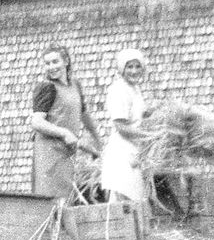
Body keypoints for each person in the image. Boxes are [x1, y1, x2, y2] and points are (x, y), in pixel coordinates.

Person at [30, 44, 102, 200]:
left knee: (67, 198)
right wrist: (64, 132)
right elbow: (36, 122)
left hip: (67, 152)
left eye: (55, 62)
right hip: (49, 154)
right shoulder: (47, 88)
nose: (51, 67)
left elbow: (83, 114)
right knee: (52, 201)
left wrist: (98, 141)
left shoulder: (75, 85)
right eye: (47, 63)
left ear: (66, 61)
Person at [101, 48, 151, 205]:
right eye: (129, 67)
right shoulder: (118, 90)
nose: (134, 71)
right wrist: (149, 137)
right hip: (121, 153)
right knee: (124, 201)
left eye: (137, 67)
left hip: (134, 150)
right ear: (122, 69)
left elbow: (138, 116)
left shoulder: (135, 90)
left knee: (135, 202)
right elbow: (121, 126)